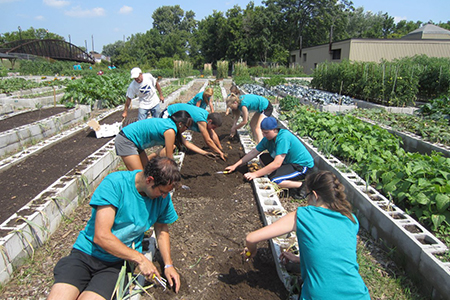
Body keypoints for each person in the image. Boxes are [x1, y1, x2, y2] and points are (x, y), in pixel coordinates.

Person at [47, 156, 182, 300]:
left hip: (116, 264)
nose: (164, 196)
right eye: (162, 191)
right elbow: (101, 236)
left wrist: (168, 265)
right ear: (149, 180)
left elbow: (161, 228)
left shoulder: (162, 198)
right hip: (86, 254)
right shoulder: (115, 184)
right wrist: (141, 259)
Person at [244, 170, 371, 300]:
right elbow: (336, 253)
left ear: (315, 195)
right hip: (360, 295)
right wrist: (301, 260)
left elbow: (251, 238)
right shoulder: (351, 220)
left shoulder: (304, 215)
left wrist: (251, 250)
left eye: (307, 195)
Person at [225, 117, 313, 196]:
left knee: (274, 180)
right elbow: (253, 152)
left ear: (275, 130)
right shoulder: (268, 139)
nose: (264, 135)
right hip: (287, 163)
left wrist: (255, 174)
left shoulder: (283, 138)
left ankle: (303, 185)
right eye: (263, 132)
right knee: (263, 157)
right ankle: (284, 176)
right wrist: (235, 166)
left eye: (266, 133)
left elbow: (277, 164)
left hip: (301, 166)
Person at [116, 110, 216, 171]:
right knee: (138, 176)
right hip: (127, 140)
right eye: (186, 127)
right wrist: (174, 175)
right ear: (180, 124)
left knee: (146, 169)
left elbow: (186, 143)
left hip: (137, 143)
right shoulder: (170, 131)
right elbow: (169, 157)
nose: (186, 129)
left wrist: (205, 153)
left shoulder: (171, 125)